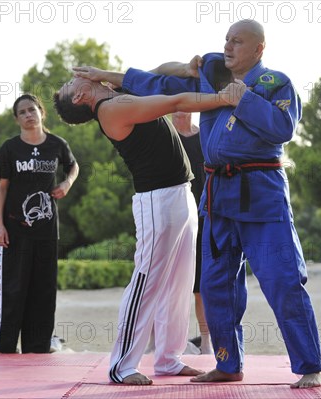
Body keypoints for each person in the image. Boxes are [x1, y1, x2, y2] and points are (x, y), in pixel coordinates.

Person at [73, 19, 321, 389]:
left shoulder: (276, 82)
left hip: (261, 190)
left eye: (237, 42)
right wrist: (107, 75)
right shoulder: (211, 73)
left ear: (259, 49)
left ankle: (310, 364)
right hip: (217, 191)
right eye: (226, 40)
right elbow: (159, 83)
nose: (228, 47)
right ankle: (228, 362)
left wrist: (245, 98)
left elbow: (282, 128)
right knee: (215, 284)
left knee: (283, 280)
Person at [54, 76, 230, 385]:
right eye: (73, 81)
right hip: (157, 201)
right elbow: (174, 101)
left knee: (179, 282)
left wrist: (104, 72)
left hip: (181, 194)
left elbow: (154, 73)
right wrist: (225, 98)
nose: (80, 76)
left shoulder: (118, 94)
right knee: (145, 282)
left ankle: (168, 359)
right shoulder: (111, 109)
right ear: (81, 96)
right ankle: (121, 365)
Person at [0, 93, 79, 354]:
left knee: (44, 290)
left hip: (47, 232)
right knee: (12, 289)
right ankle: (2, 345)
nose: (28, 115)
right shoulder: (10, 148)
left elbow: (73, 166)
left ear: (41, 112)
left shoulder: (57, 144)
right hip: (14, 231)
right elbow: (1, 188)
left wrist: (67, 183)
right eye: (22, 112)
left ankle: (37, 346)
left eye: (32, 110)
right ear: (17, 119)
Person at [171, 112, 213, 355]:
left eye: (184, 104)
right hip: (176, 217)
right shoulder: (166, 138)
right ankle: (164, 343)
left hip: (205, 216)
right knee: (169, 285)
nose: (180, 110)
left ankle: (206, 341)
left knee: (201, 287)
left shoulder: (205, 136)